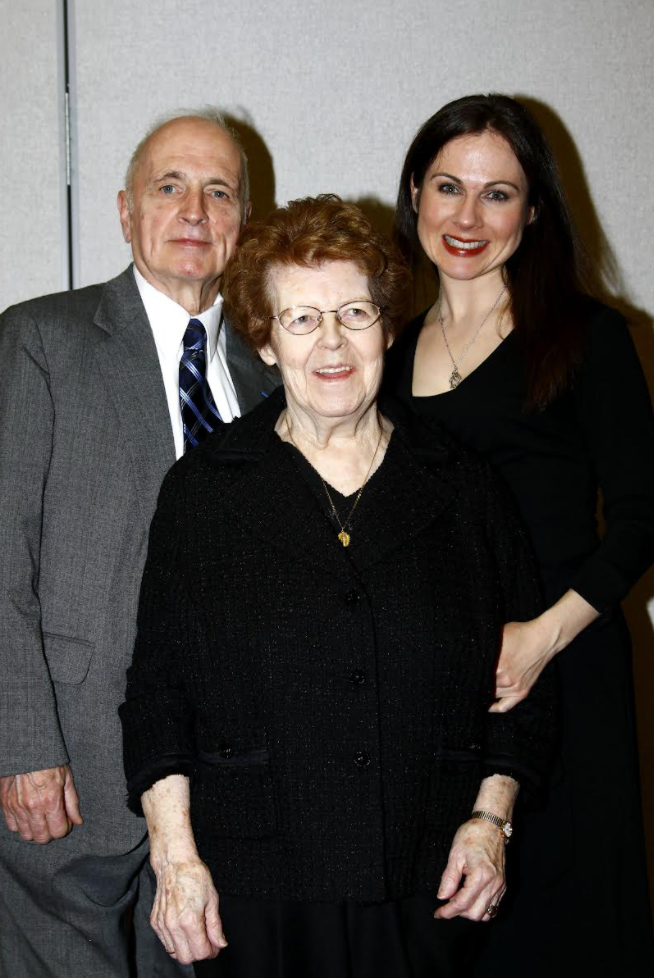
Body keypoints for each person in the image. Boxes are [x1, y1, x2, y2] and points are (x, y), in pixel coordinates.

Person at [119, 194, 554, 978]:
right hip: (255, 885)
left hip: (428, 881)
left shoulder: (462, 485)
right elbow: (157, 692)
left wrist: (491, 819)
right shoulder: (206, 491)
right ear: (264, 338)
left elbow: (525, 685)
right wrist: (175, 860)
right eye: (302, 319)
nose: (332, 343)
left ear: (388, 325)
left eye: (355, 312)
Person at [0, 109, 279, 978]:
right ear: (126, 213)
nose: (195, 209)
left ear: (240, 222)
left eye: (218, 191)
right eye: (170, 187)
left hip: (228, 782)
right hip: (72, 768)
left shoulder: (275, 375)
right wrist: (22, 744)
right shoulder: (41, 340)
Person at [384, 93, 654, 977]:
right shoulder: (383, 355)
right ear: (414, 195)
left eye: (498, 194)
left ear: (534, 209)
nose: (468, 217)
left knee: (562, 932)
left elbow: (644, 515)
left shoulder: (583, 337)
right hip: (442, 694)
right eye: (448, 187)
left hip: (565, 670)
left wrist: (541, 637)